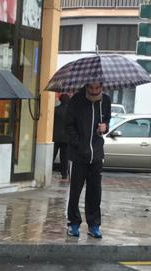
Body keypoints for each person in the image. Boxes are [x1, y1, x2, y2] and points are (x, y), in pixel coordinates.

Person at [64, 82, 111, 239]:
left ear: (102, 87)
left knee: (95, 191)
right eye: (91, 88)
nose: (94, 91)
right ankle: (73, 223)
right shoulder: (76, 100)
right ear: (86, 86)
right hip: (78, 155)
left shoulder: (106, 101)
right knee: (75, 191)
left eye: (97, 88)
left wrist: (104, 128)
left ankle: (94, 225)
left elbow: (107, 122)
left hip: (96, 154)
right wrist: (78, 144)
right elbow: (68, 126)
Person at [52, 94, 71, 181]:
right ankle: (64, 175)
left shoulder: (55, 110)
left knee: (52, 155)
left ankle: (49, 172)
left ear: (60, 100)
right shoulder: (71, 112)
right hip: (66, 138)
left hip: (55, 137)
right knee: (64, 157)